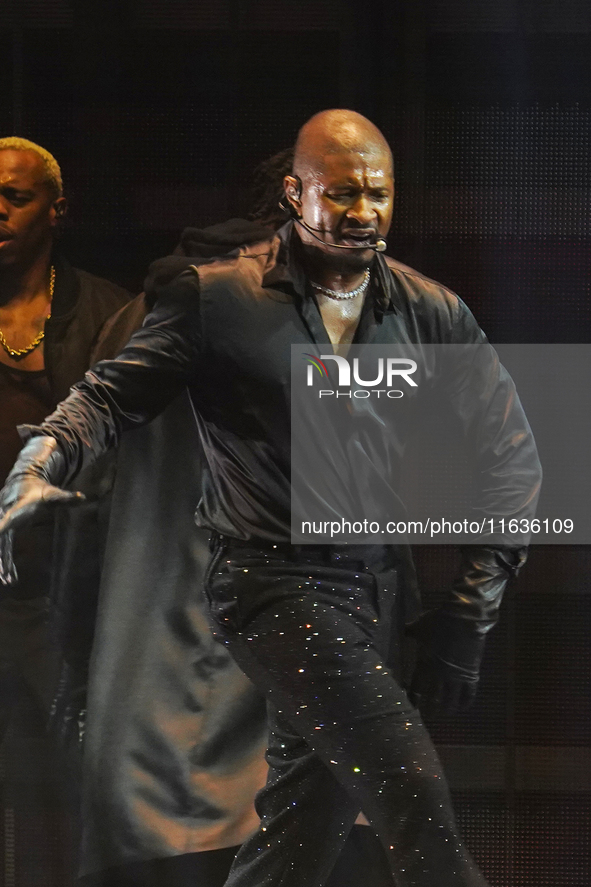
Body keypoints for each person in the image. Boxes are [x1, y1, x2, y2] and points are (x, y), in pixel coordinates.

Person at [0, 111, 541, 887]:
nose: (361, 212)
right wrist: (41, 456)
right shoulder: (206, 304)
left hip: (279, 639)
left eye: (376, 193)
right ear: (293, 196)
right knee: (414, 804)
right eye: (340, 193)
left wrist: (465, 611)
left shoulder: (424, 310)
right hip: (264, 602)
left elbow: (502, 459)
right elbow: (101, 422)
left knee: (297, 833)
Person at [0, 136, 129, 745]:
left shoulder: (109, 314)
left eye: (15, 196)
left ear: (56, 209)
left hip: (59, 588)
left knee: (72, 776)